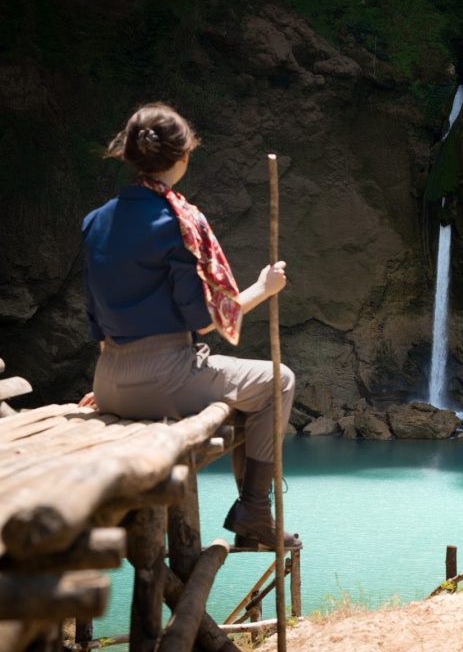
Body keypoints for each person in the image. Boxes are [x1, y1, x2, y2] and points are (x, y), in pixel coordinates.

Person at [80, 102, 299, 549]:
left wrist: (111, 384)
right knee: (278, 381)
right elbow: (203, 323)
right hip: (165, 378)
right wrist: (263, 287)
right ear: (182, 158)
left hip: (108, 380)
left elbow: (96, 316)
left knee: (242, 391)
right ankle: (255, 511)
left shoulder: (94, 221)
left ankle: (253, 512)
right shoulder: (179, 223)